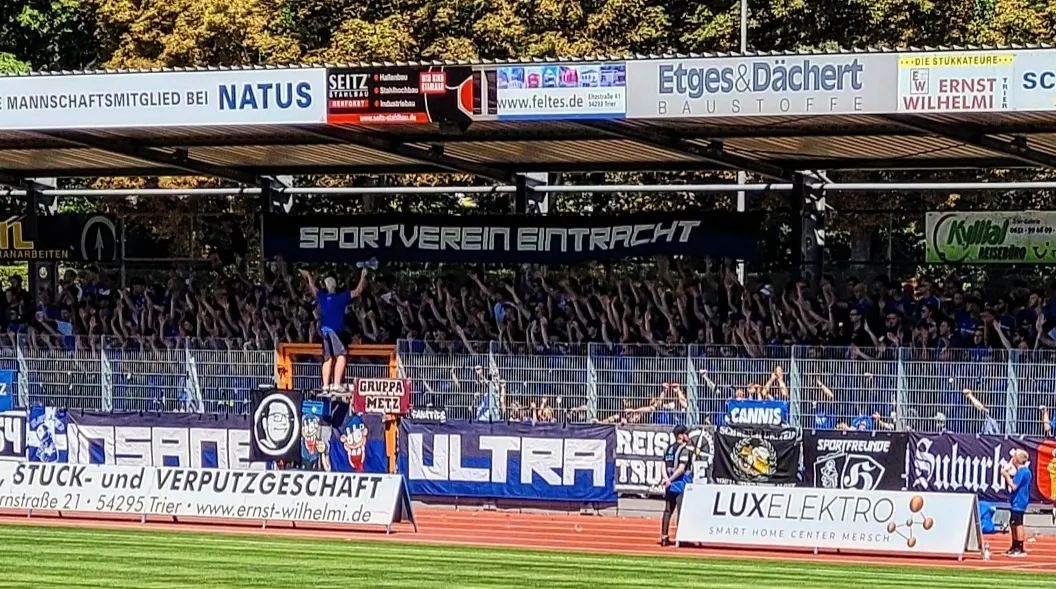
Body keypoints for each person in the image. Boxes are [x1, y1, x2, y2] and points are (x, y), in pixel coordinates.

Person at [300, 267, 368, 392]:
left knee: (328, 357)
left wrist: (309, 275)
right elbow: (358, 291)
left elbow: (312, 287)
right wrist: (363, 275)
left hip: (325, 331)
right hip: (335, 331)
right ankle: (336, 384)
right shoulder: (340, 296)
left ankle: (326, 386)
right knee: (341, 355)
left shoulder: (323, 296)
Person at [659, 424, 694, 546]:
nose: (688, 436)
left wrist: (666, 479)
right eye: (686, 434)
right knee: (681, 511)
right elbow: (681, 468)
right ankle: (681, 538)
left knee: (668, 510)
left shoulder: (668, 448)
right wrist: (670, 479)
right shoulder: (684, 450)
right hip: (680, 484)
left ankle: (664, 536)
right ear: (681, 435)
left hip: (670, 485)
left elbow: (663, 465)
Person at [1002, 449, 1032, 557]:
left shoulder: (1022, 472)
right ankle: (1014, 545)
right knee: (1013, 523)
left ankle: (1019, 547)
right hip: (1017, 500)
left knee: (1018, 523)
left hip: (1019, 501)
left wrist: (1006, 476)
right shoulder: (1024, 471)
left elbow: (1014, 486)